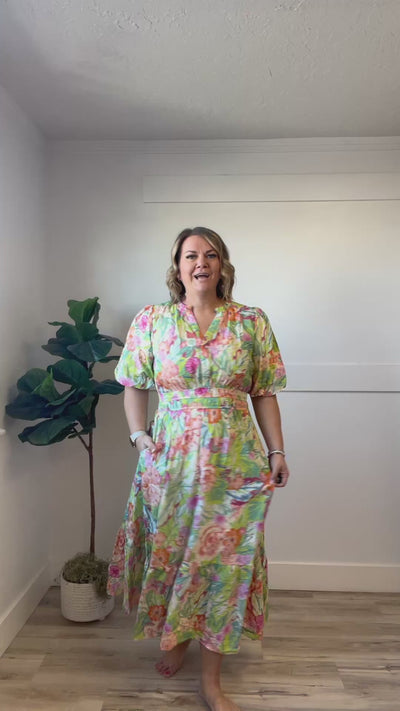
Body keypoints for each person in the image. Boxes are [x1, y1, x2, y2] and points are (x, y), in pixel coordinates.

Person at [107, 227, 289, 711]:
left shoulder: (251, 321)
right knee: (174, 555)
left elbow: (264, 392)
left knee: (225, 567)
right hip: (172, 464)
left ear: (222, 264)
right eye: (191, 255)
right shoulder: (152, 320)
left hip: (235, 466)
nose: (201, 262)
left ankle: (211, 680)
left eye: (210, 255)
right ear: (178, 266)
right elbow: (133, 383)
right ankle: (178, 636)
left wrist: (277, 451)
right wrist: (139, 437)